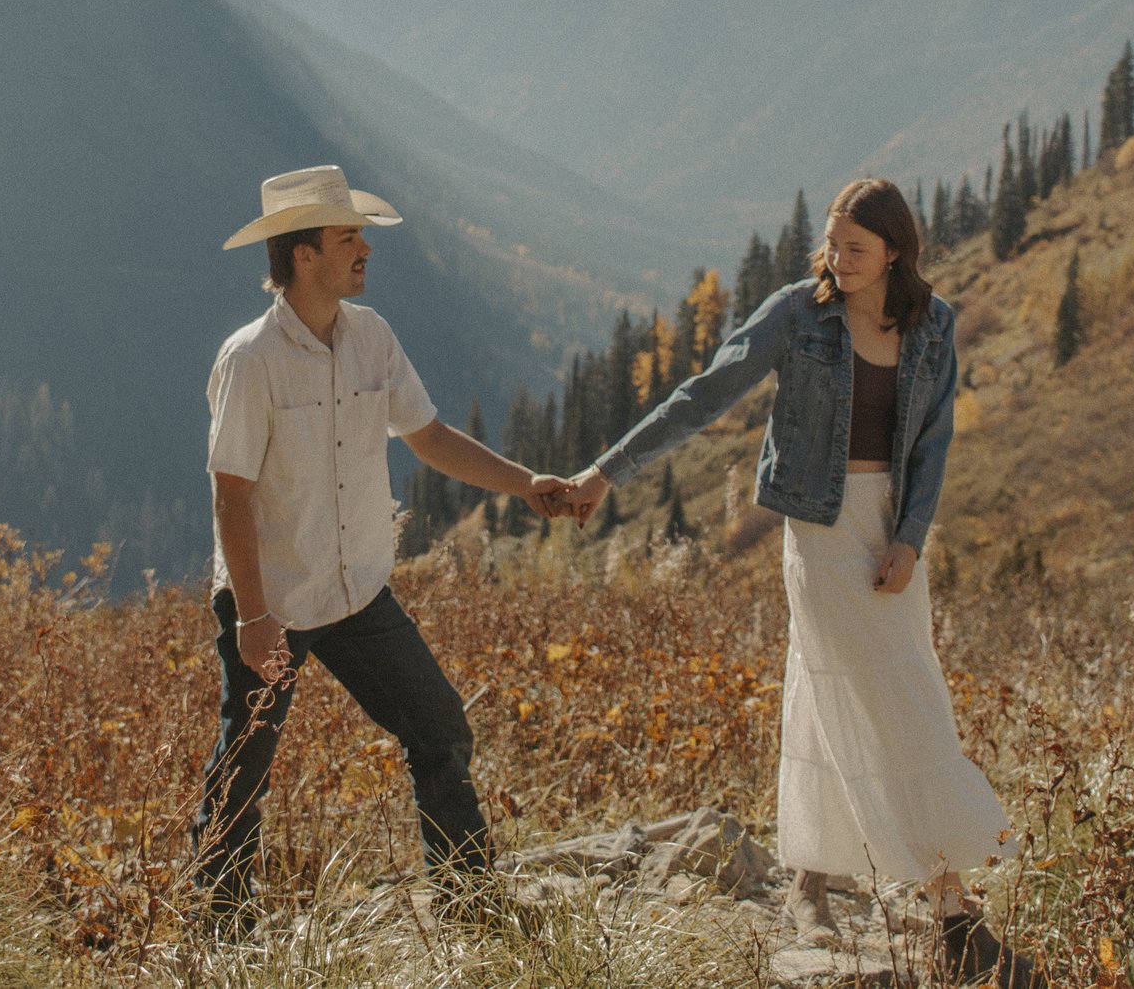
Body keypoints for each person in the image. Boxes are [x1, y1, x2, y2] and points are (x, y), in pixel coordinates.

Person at [563, 178, 1028, 981]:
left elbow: (935, 444)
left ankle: (810, 875)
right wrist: (609, 470)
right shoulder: (798, 311)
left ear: (894, 252)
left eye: (855, 249)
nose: (837, 261)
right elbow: (704, 394)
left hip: (892, 528)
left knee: (838, 678)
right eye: (832, 244)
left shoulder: (933, 324)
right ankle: (953, 910)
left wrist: (912, 540)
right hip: (817, 525)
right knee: (897, 695)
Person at [192, 164, 575, 923]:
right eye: (347, 237)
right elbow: (231, 491)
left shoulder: (372, 338)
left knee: (439, 727)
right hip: (274, 597)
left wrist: (524, 481)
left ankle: (471, 903)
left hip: (356, 589)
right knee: (247, 765)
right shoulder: (251, 358)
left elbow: (428, 436)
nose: (365, 247)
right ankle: (219, 927)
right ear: (303, 254)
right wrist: (255, 616)